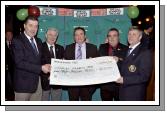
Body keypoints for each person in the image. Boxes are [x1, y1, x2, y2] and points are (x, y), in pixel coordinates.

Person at [12, 16, 50, 101]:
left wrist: (51, 68)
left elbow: (40, 59)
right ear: (24, 26)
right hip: (23, 85)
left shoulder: (39, 41)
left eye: (36, 26)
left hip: (37, 84)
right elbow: (19, 63)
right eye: (30, 25)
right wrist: (41, 68)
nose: (33, 29)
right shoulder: (17, 40)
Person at [116, 26, 153, 101]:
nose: (130, 36)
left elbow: (144, 77)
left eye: (134, 34)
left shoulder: (145, 52)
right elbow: (125, 67)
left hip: (134, 95)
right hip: (123, 92)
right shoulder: (127, 50)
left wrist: (124, 80)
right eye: (129, 34)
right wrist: (117, 61)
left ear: (140, 37)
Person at [64, 27, 99, 101]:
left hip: (87, 85)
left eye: (81, 34)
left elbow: (97, 67)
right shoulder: (68, 48)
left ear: (85, 36)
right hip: (72, 85)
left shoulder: (93, 48)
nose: (79, 37)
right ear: (74, 37)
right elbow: (65, 66)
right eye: (76, 35)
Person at [99, 28, 128, 101]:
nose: (112, 38)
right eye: (109, 36)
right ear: (107, 38)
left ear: (118, 37)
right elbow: (98, 63)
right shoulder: (102, 47)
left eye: (114, 36)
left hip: (119, 86)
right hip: (105, 85)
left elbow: (127, 67)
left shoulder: (126, 49)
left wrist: (118, 60)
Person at [41, 28, 64, 101]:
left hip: (57, 82)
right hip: (43, 82)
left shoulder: (60, 48)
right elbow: (37, 63)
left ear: (57, 37)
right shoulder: (39, 47)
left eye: (55, 35)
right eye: (50, 35)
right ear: (46, 35)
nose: (52, 37)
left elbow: (63, 64)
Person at [5, 30, 15, 100]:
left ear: (12, 36)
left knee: (13, 82)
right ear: (5, 36)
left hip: (14, 68)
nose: (9, 36)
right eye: (7, 35)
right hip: (5, 67)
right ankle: (6, 96)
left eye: (10, 35)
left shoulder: (15, 44)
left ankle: (13, 95)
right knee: (6, 82)